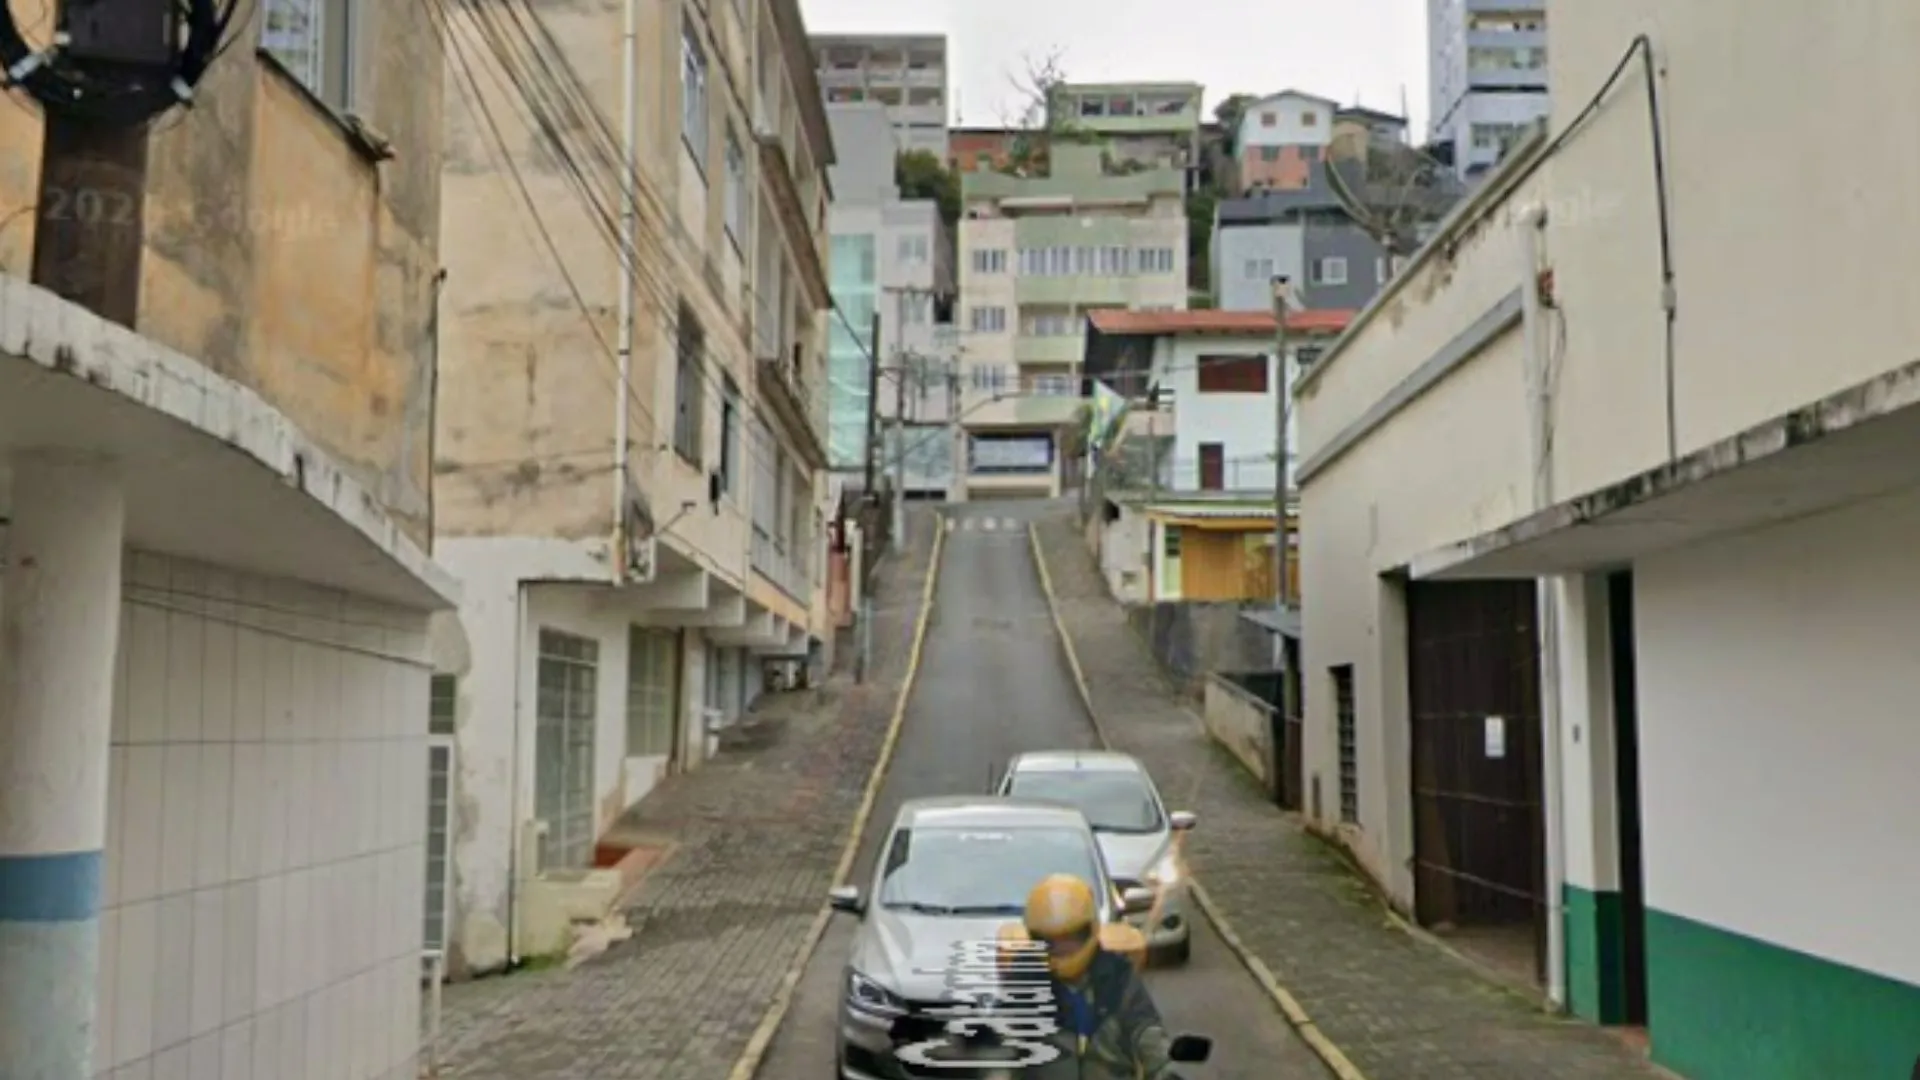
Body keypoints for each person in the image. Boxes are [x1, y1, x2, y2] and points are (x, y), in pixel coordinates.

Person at [1011, 872, 1181, 1079]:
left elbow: (1145, 1031)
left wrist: (1166, 1070)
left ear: (1088, 930)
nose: (1062, 948)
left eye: (1071, 938)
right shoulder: (1024, 982)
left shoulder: (1119, 976)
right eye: (1051, 941)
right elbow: (1001, 1046)